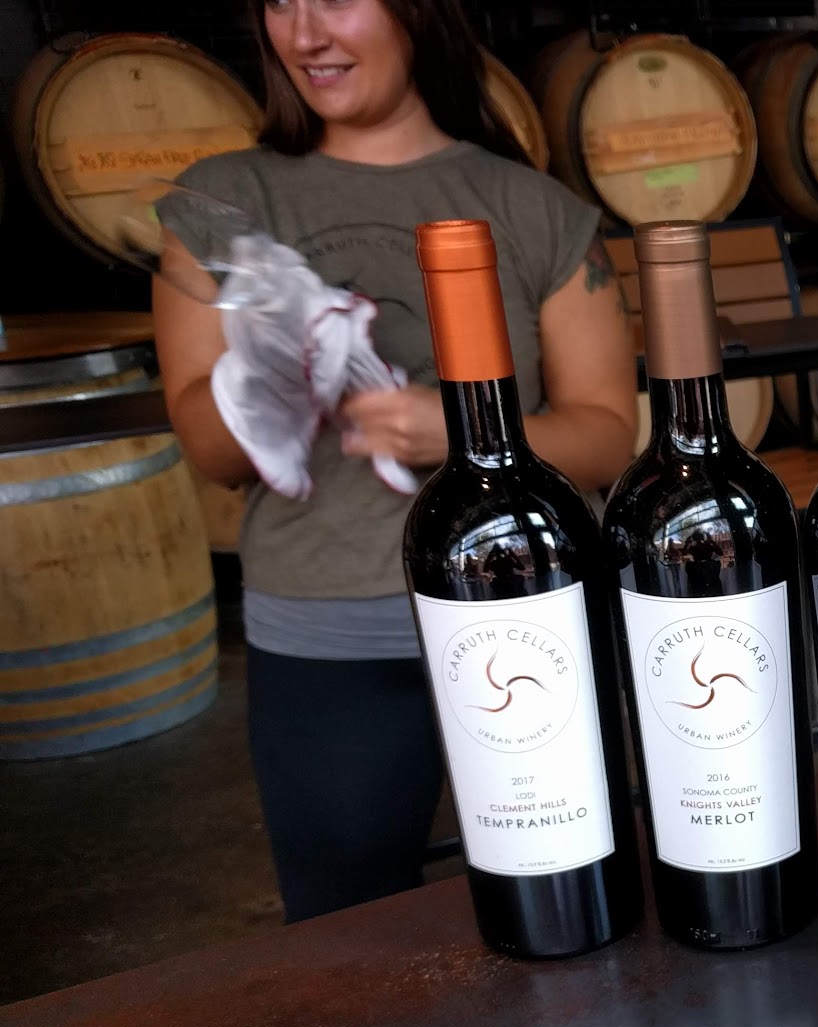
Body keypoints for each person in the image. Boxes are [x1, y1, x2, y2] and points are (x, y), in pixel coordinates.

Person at [154, 0, 635, 923]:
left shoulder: (532, 207)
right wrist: (274, 369)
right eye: (280, 3)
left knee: (569, 899)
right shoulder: (223, 203)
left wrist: (460, 430)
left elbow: (608, 435)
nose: (305, 34)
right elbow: (212, 454)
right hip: (328, 637)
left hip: (526, 614)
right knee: (347, 930)